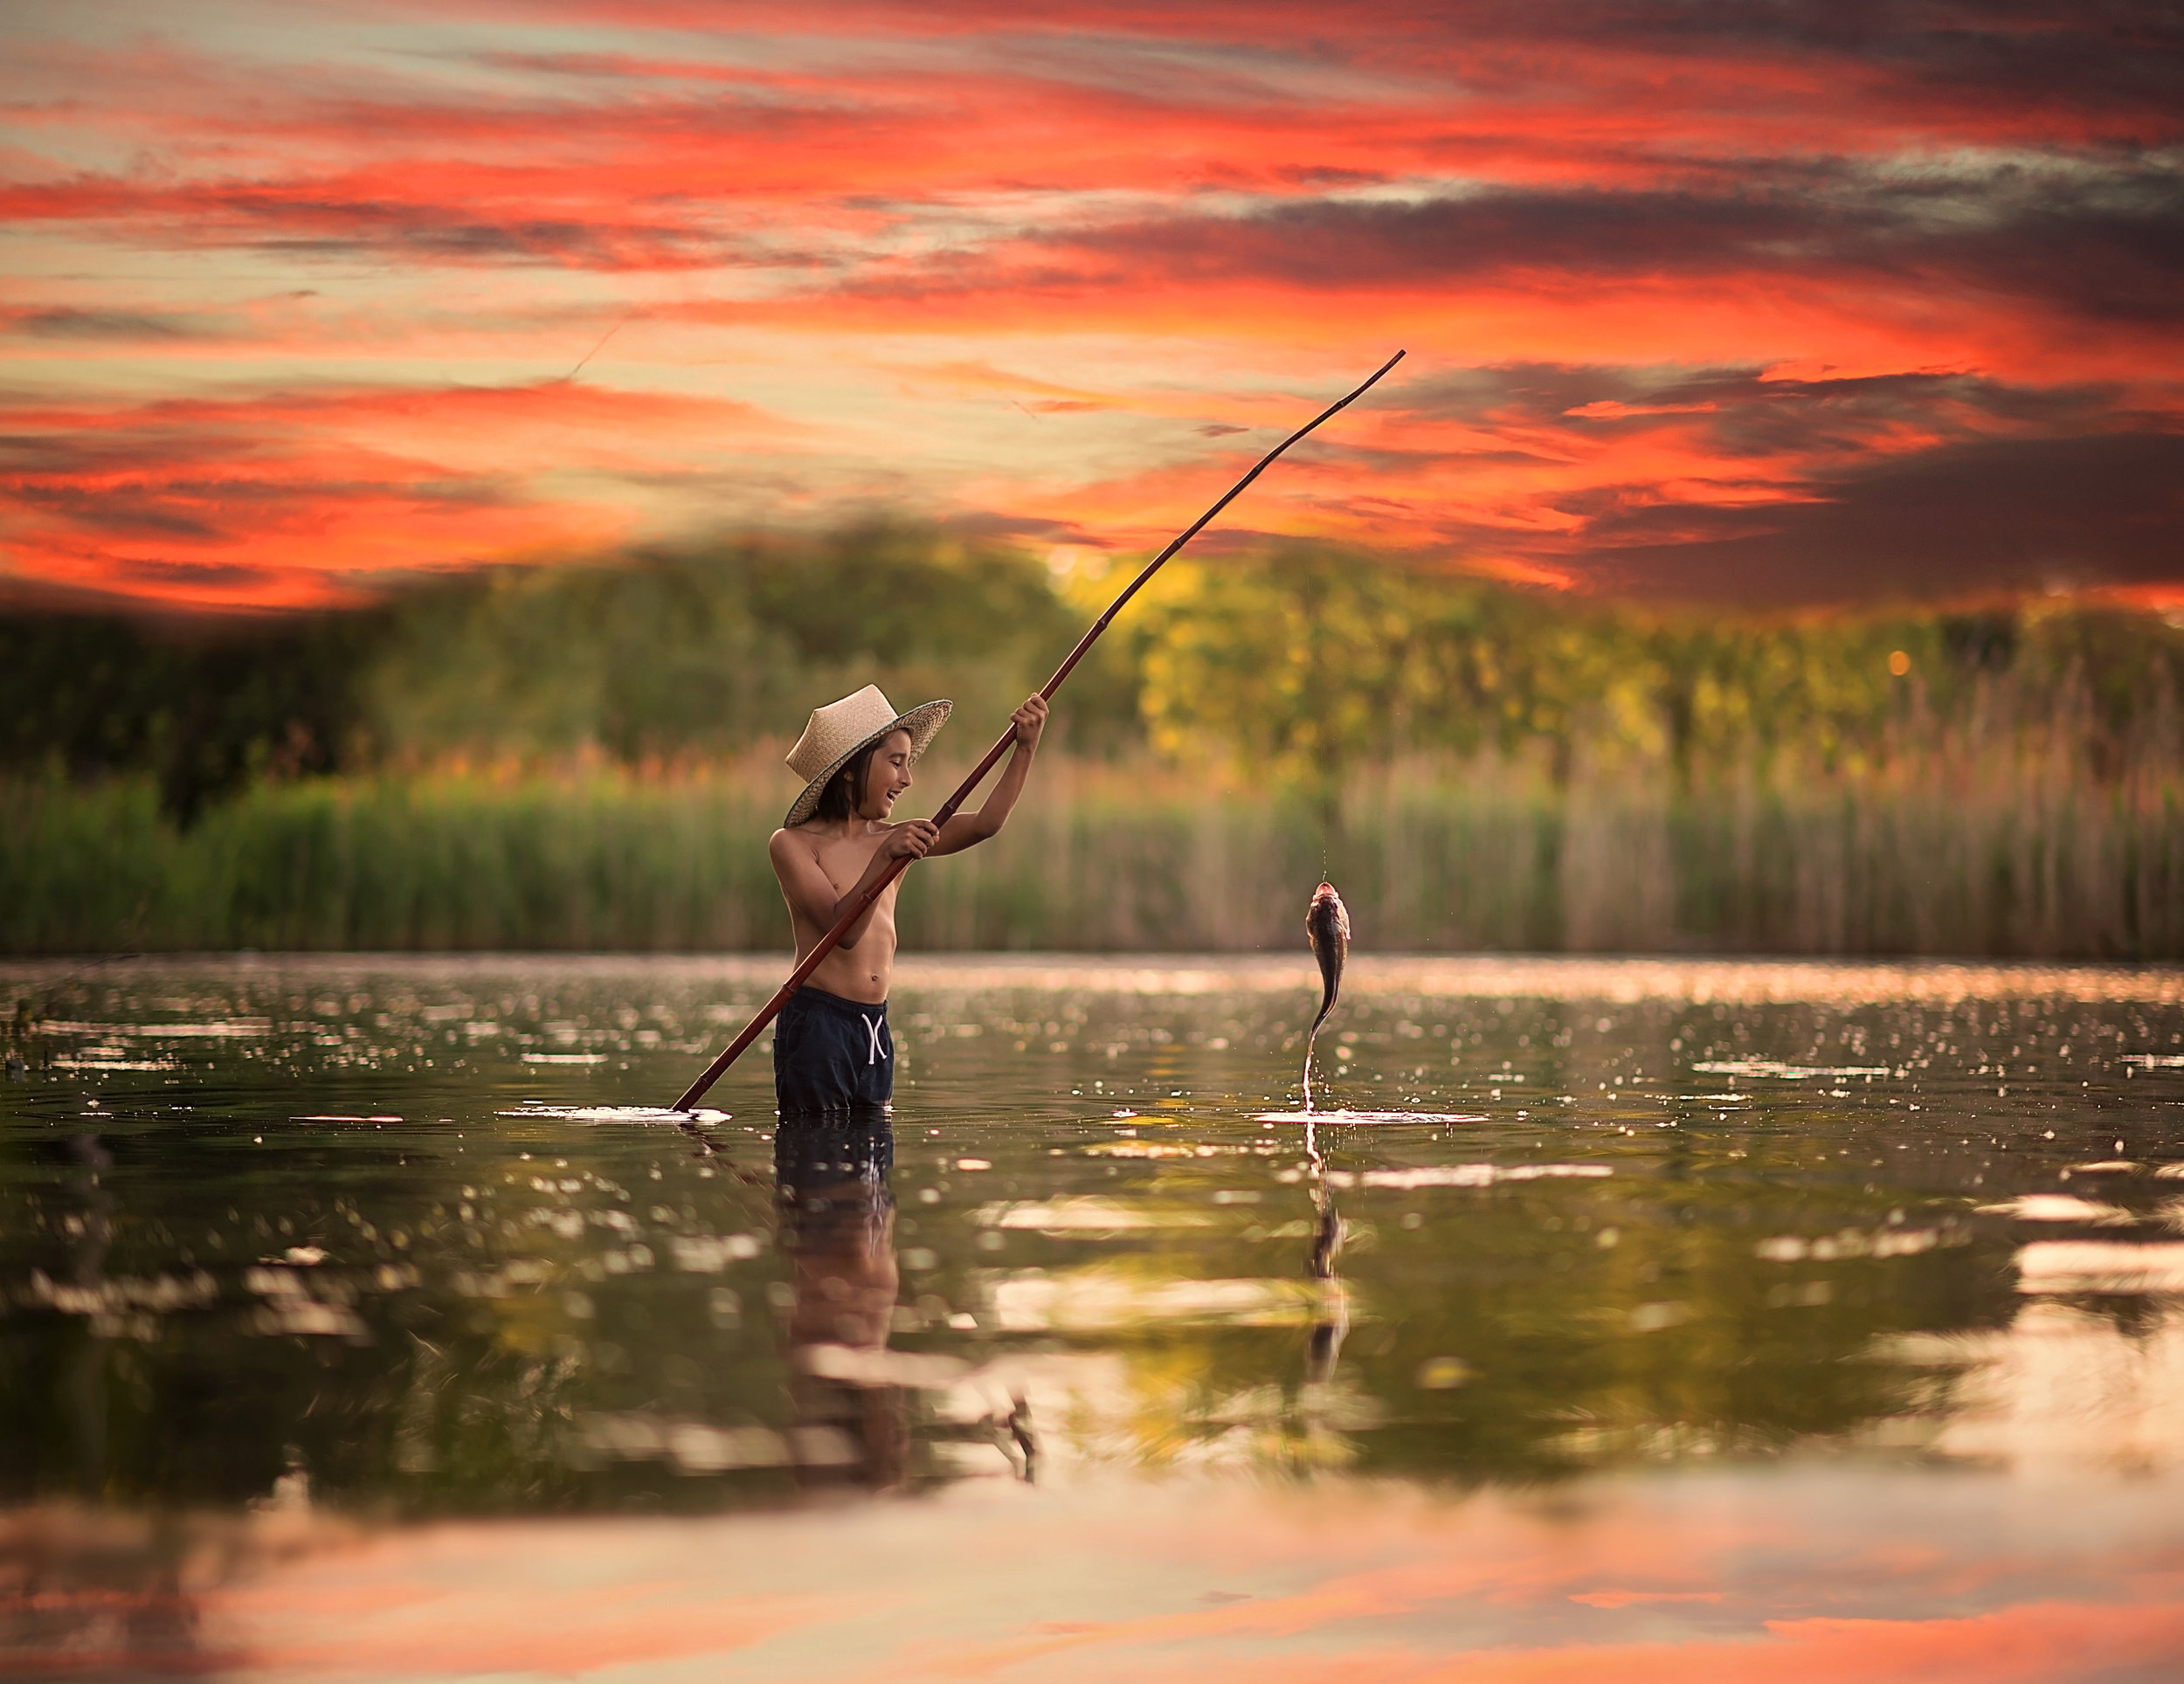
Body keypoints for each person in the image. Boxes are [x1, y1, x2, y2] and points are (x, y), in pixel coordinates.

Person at [768, 683, 1047, 1113]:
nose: (907, 778)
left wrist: (1025, 748)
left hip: (874, 1026)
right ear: (850, 768)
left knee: (873, 1167)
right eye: (895, 762)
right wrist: (884, 857)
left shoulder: (897, 837)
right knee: (816, 1156)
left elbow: (986, 824)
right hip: (818, 1023)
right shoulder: (794, 845)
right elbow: (842, 932)